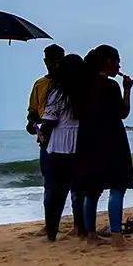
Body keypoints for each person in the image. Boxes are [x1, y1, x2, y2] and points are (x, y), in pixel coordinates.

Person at [74, 44, 133, 238]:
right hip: (112, 138)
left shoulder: (82, 86)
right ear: (108, 62)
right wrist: (127, 90)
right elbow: (123, 112)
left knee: (92, 188)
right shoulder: (110, 85)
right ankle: (116, 234)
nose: (119, 66)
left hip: (87, 139)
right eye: (117, 62)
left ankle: (90, 233)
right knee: (117, 186)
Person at [39, 54, 89, 241]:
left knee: (58, 191)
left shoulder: (58, 92)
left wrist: (42, 132)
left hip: (60, 143)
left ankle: (52, 231)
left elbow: (50, 120)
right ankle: (81, 228)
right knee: (80, 190)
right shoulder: (86, 91)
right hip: (81, 142)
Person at [27, 43, 64, 193]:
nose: (54, 63)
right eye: (51, 60)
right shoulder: (40, 84)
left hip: (62, 134)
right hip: (46, 137)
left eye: (57, 59)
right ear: (45, 61)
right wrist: (31, 123)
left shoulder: (67, 84)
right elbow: (33, 110)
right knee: (49, 181)